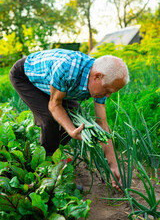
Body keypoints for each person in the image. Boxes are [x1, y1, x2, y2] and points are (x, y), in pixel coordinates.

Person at [9, 48, 129, 189]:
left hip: (53, 82)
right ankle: (43, 174)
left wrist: (113, 165)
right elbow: (54, 105)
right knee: (50, 120)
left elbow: (101, 123)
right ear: (97, 77)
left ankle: (48, 153)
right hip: (26, 77)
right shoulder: (68, 69)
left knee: (77, 118)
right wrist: (71, 130)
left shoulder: (100, 80)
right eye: (108, 90)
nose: (107, 96)